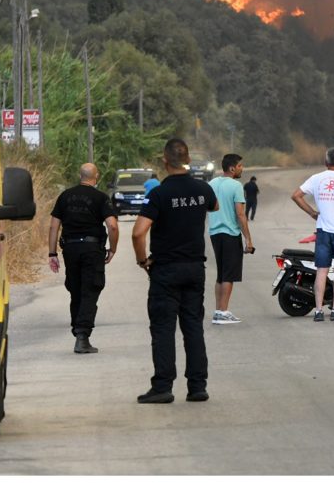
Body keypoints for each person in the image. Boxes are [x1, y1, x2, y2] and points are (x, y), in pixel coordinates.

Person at [132, 138, 218, 404]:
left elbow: (138, 232)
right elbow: (213, 206)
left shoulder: (158, 194)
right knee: (193, 326)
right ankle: (197, 386)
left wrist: (142, 260)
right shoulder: (203, 189)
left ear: (164, 161)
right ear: (189, 160)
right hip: (194, 268)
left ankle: (162, 387)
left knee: (163, 328)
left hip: (166, 270)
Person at [47, 163, 120, 354]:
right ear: (96, 177)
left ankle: (78, 329)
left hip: (70, 249)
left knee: (76, 289)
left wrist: (52, 253)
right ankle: (82, 335)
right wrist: (112, 248)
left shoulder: (65, 196)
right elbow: (112, 226)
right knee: (90, 289)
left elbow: (54, 226)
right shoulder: (101, 197)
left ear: (80, 176)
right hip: (92, 249)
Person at [291, 147, 334, 322]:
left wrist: (312, 213)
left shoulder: (316, 179)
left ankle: (318, 310)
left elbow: (296, 195)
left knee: (321, 271)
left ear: (325, 162)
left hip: (323, 231)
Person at [207, 154, 254, 324]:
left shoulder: (211, 184)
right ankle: (223, 311)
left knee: (221, 274)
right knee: (229, 274)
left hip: (214, 233)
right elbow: (240, 214)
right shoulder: (236, 186)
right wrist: (248, 239)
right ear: (232, 168)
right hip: (230, 233)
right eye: (240, 166)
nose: (242, 168)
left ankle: (219, 311)